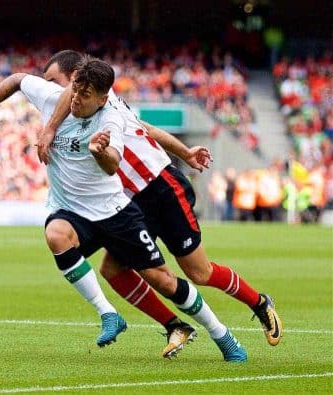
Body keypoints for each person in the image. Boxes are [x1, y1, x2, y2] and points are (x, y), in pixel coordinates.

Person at [0, 57, 246, 361]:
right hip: (74, 212)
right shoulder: (54, 98)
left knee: (163, 280)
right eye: (74, 91)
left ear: (103, 99)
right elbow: (15, 80)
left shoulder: (111, 119)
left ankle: (222, 335)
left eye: (84, 96)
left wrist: (99, 152)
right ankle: (108, 313)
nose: (75, 100)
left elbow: (112, 165)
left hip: (114, 210)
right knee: (56, 235)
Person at [39, 50, 281, 349]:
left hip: (159, 189)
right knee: (113, 270)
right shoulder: (80, 110)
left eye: (53, 80)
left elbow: (140, 135)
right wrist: (185, 152)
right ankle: (175, 325)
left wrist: (183, 154)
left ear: (76, 79)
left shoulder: (105, 104)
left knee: (198, 272)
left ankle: (258, 303)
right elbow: (146, 128)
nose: (49, 87)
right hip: (126, 202)